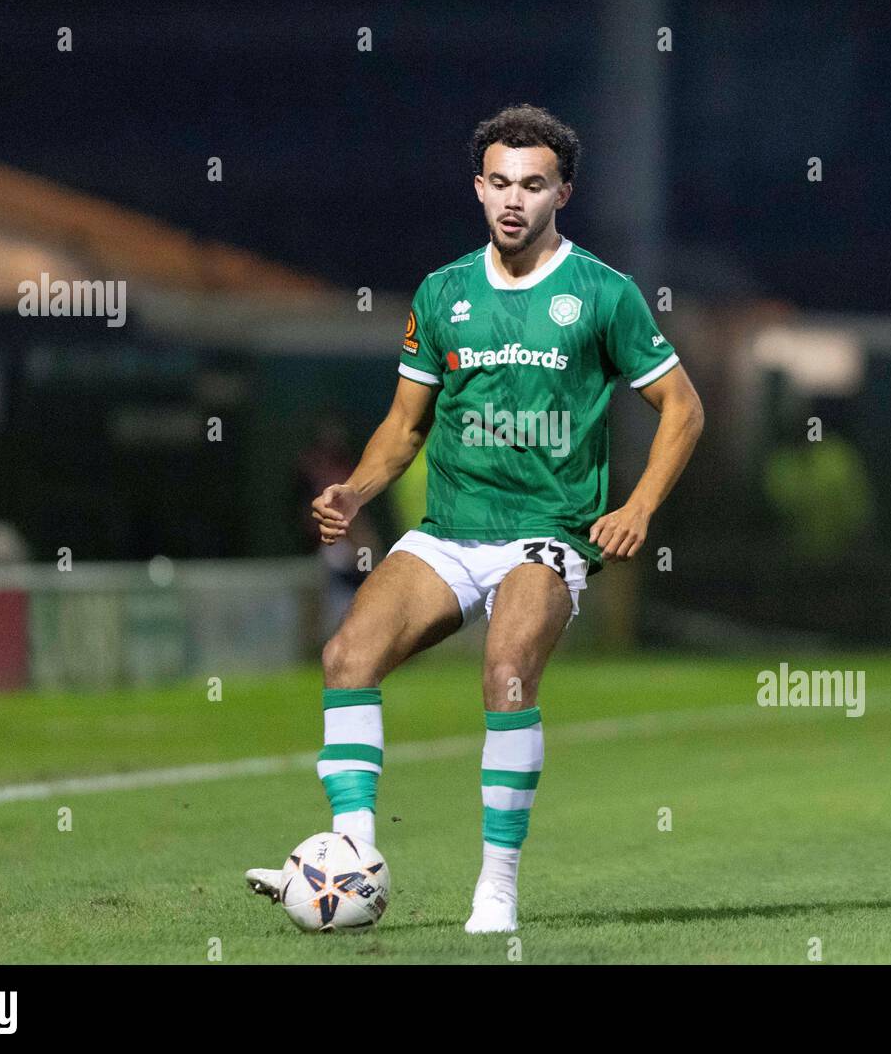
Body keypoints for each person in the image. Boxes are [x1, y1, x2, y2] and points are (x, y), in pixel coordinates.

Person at [246, 104, 704, 932]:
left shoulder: (604, 294)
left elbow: (682, 406)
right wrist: (353, 489)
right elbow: (406, 422)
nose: (513, 200)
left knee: (506, 673)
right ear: (478, 187)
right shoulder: (444, 293)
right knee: (347, 654)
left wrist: (638, 505)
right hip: (452, 530)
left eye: (532, 184)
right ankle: (355, 857)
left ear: (563, 191)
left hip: (548, 532)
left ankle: (496, 886)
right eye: (498, 182)